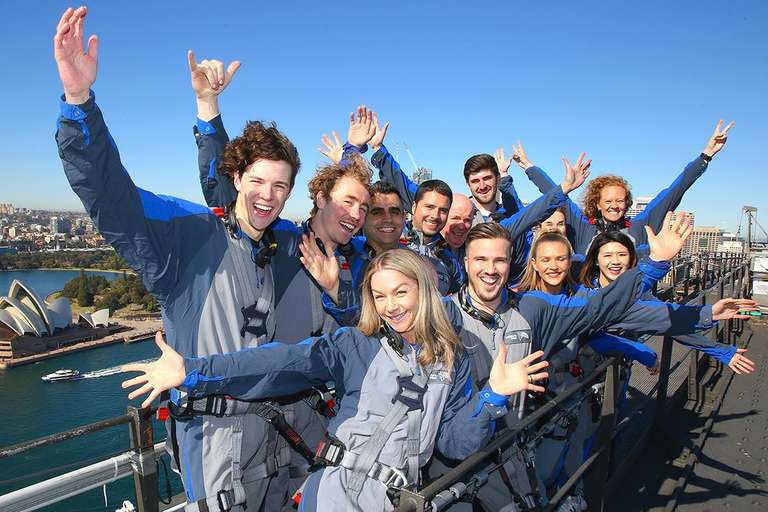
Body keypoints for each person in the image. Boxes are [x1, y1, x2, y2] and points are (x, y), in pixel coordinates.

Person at [53, 8, 341, 511]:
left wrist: (209, 112)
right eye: (256, 181)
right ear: (237, 180)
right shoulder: (186, 237)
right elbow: (109, 194)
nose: (267, 197)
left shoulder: (285, 247)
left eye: (280, 186)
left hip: (283, 448)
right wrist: (79, 102)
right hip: (216, 451)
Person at [122, 249, 551, 512]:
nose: (390, 307)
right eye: (379, 296)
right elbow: (278, 360)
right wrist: (194, 371)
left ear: (423, 291)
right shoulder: (354, 344)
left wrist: (493, 395)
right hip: (336, 496)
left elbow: (456, 444)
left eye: (401, 292)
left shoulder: (453, 358)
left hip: (398, 498)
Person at [510, 122, 733, 259]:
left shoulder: (639, 227)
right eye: (607, 201)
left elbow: (674, 191)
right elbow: (554, 194)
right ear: (596, 203)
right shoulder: (583, 227)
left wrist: (705, 156)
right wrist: (530, 168)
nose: (614, 205)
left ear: (627, 203)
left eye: (620, 200)